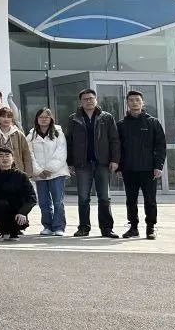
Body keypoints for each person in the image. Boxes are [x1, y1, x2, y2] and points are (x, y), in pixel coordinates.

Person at [66, 88, 121, 238]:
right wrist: (70, 162)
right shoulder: (74, 118)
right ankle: (84, 228)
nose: (89, 101)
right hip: (82, 164)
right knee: (83, 197)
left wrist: (115, 160)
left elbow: (114, 140)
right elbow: (69, 141)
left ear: (96, 100)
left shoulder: (106, 117)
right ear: (80, 102)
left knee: (104, 197)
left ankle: (107, 229)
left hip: (102, 163)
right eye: (85, 99)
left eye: (91, 98)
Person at [117, 90, 167, 240]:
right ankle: (133, 228)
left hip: (148, 169)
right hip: (129, 169)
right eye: (131, 100)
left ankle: (150, 227)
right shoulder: (121, 125)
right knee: (130, 200)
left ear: (142, 103)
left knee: (150, 200)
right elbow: (118, 148)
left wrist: (158, 166)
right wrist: (119, 167)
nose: (134, 103)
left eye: (137, 100)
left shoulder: (152, 122)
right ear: (127, 103)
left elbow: (160, 146)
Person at [27, 107, 69, 236]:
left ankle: (59, 227)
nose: (44, 119)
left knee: (58, 201)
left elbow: (61, 152)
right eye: (41, 117)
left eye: (46, 117)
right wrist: (38, 170)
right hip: (39, 174)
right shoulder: (32, 135)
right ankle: (47, 226)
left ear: (51, 119)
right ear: (37, 119)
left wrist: (50, 168)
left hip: (56, 172)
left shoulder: (58, 133)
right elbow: (29, 154)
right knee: (44, 202)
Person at [0, 146, 37, 241]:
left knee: (17, 207)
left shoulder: (21, 176)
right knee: (1, 204)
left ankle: (14, 231)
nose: (4, 158)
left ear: (13, 159)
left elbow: (32, 198)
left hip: (17, 213)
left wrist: (23, 212)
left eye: (7, 156)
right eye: (1, 156)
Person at [0, 107, 34, 176]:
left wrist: (28, 173)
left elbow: (26, 154)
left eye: (9, 117)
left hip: (17, 171)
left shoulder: (19, 134)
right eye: (3, 116)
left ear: (12, 119)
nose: (6, 119)